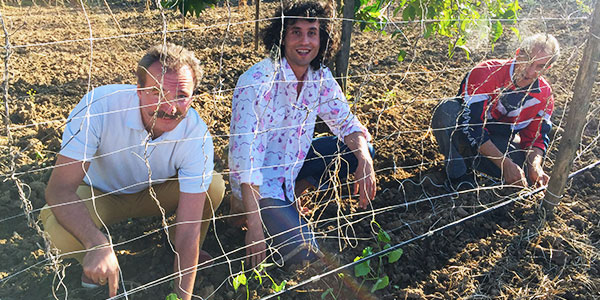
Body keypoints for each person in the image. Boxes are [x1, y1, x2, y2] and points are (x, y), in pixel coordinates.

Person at [40, 43, 225, 300]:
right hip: (98, 194)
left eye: (181, 94)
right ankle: (95, 267)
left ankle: (174, 252)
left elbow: (189, 227)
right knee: (59, 234)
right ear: (138, 90)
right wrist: (97, 243)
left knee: (213, 187)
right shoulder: (100, 106)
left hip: (152, 194)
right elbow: (59, 189)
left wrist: (182, 296)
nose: (169, 107)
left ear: (193, 96)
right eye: (156, 92)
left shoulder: (196, 135)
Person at [228, 1, 376, 268]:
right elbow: (244, 161)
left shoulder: (319, 77)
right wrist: (254, 226)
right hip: (259, 185)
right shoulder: (257, 82)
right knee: (305, 253)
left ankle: (292, 195)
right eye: (296, 32)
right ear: (282, 37)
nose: (304, 41)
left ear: (322, 39)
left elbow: (347, 123)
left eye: (312, 32)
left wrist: (365, 161)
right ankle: (243, 212)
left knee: (361, 151)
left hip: (291, 169)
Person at [431, 33, 560, 191]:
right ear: (518, 53)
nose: (530, 71)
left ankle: (474, 160)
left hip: (498, 140)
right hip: (464, 130)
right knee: (446, 110)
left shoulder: (545, 95)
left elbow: (535, 138)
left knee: (525, 169)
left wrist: (535, 167)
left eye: (539, 66)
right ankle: (459, 175)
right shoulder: (487, 72)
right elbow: (473, 125)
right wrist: (505, 164)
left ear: (548, 68)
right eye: (528, 61)